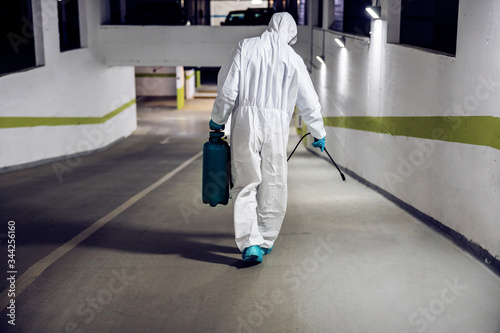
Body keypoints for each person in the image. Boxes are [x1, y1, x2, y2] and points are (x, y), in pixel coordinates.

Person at [209, 12, 326, 263]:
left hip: (245, 124)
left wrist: (218, 120)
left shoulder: (245, 46)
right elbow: (308, 100)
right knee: (274, 182)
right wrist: (318, 132)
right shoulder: (293, 58)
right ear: (291, 34)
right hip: (277, 126)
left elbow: (228, 90)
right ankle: (266, 239)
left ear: (270, 26)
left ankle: (250, 244)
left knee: (246, 183)